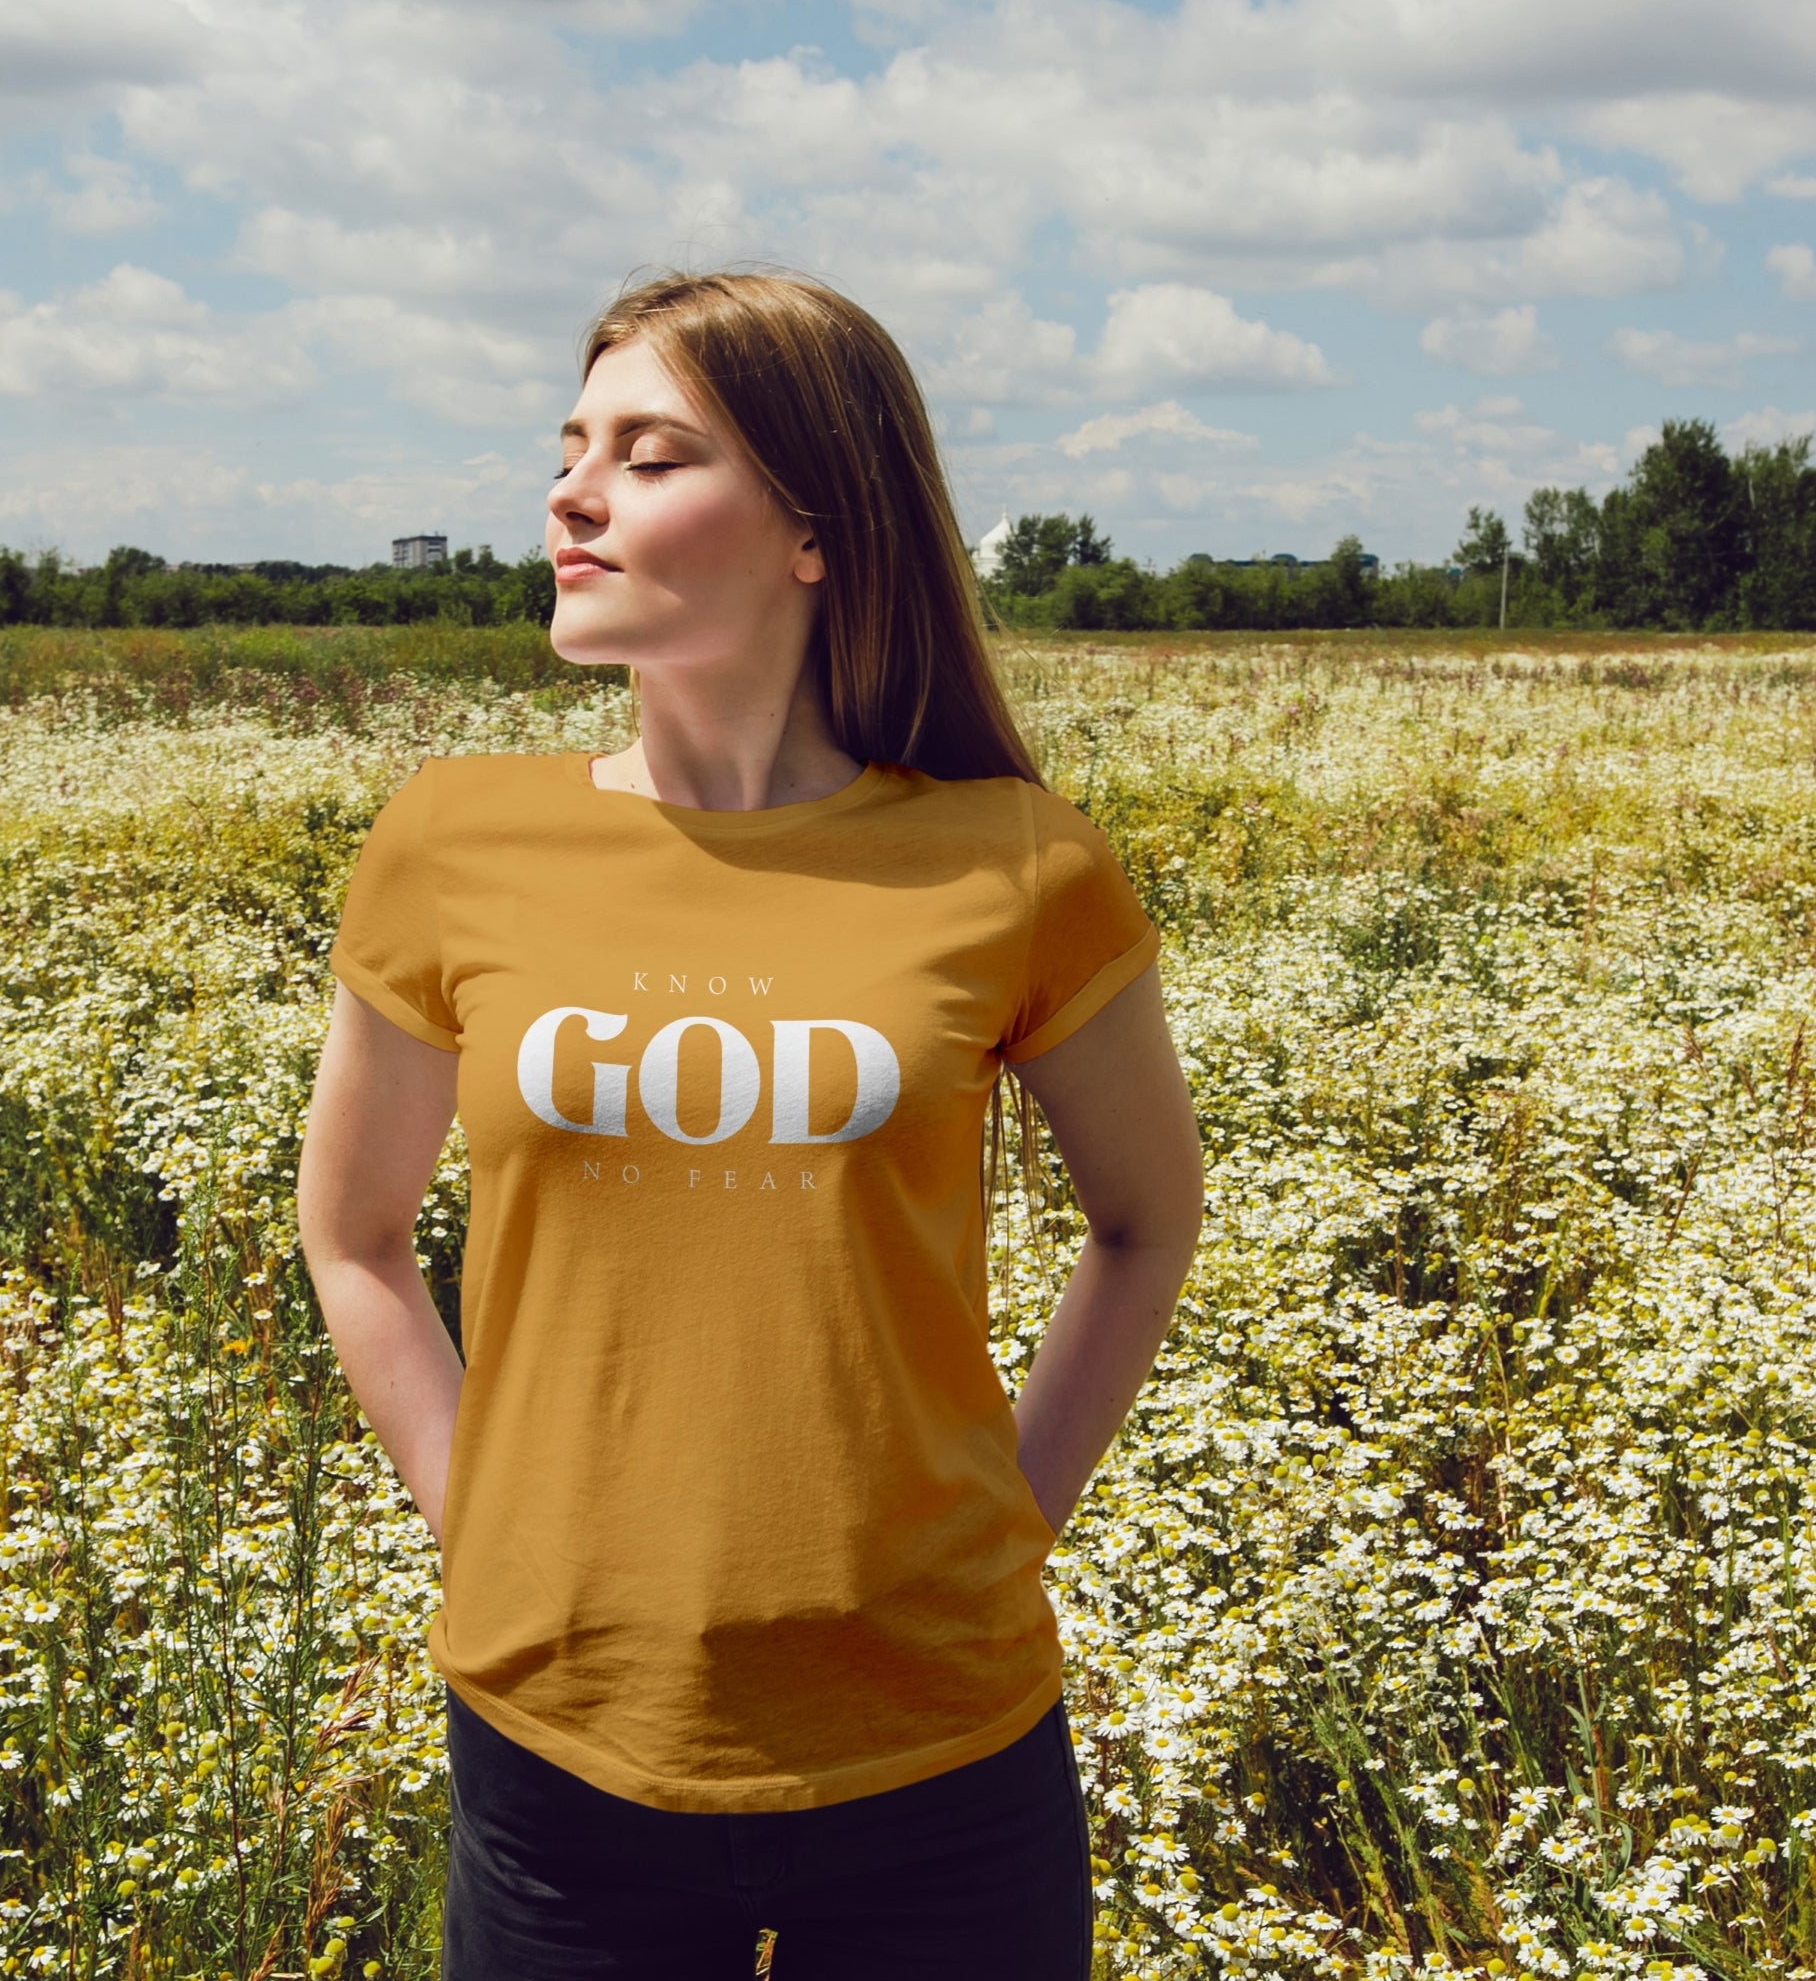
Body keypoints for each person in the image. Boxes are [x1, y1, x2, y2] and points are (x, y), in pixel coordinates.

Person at [296, 268, 1205, 1981]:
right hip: (562, 1736)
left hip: (943, 1743)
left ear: (813, 527)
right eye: (572, 448)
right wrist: (479, 1515)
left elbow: (1150, 1221)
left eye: (650, 456)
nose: (572, 493)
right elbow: (351, 1235)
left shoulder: (1018, 860)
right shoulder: (448, 840)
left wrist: (1012, 1521)